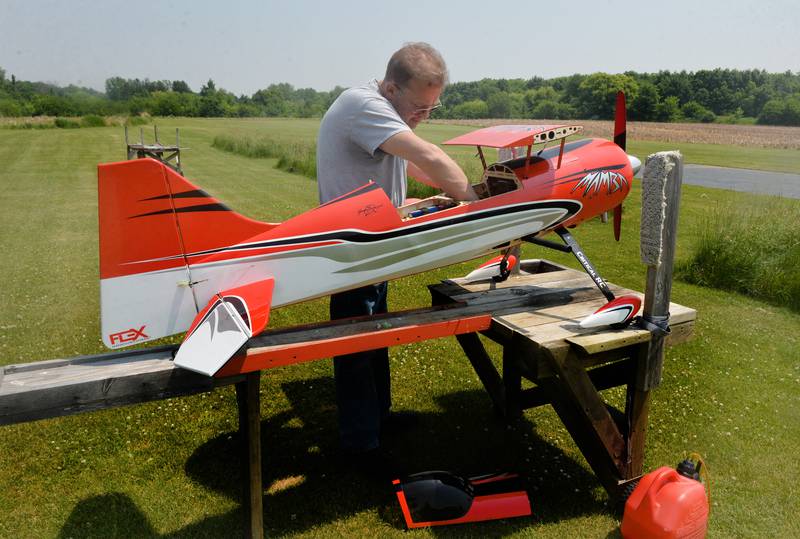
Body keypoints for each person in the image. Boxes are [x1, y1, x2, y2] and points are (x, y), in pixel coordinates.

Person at [316, 42, 476, 465]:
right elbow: (428, 155)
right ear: (390, 88)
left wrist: (450, 189)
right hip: (354, 248)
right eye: (419, 108)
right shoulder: (362, 105)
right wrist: (476, 199)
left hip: (378, 243)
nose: (423, 117)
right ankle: (360, 443)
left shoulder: (381, 109)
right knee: (356, 342)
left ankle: (378, 418)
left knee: (376, 332)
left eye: (431, 109)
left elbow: (413, 166)